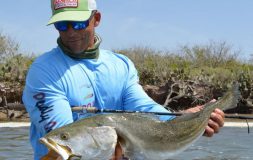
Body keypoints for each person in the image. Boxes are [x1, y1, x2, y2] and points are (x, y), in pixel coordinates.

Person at [22, 0, 225, 159]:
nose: (71, 32)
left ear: (97, 18)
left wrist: (183, 119)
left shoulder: (121, 64)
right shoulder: (44, 71)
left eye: (78, 23)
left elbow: (144, 107)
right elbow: (62, 138)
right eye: (62, 25)